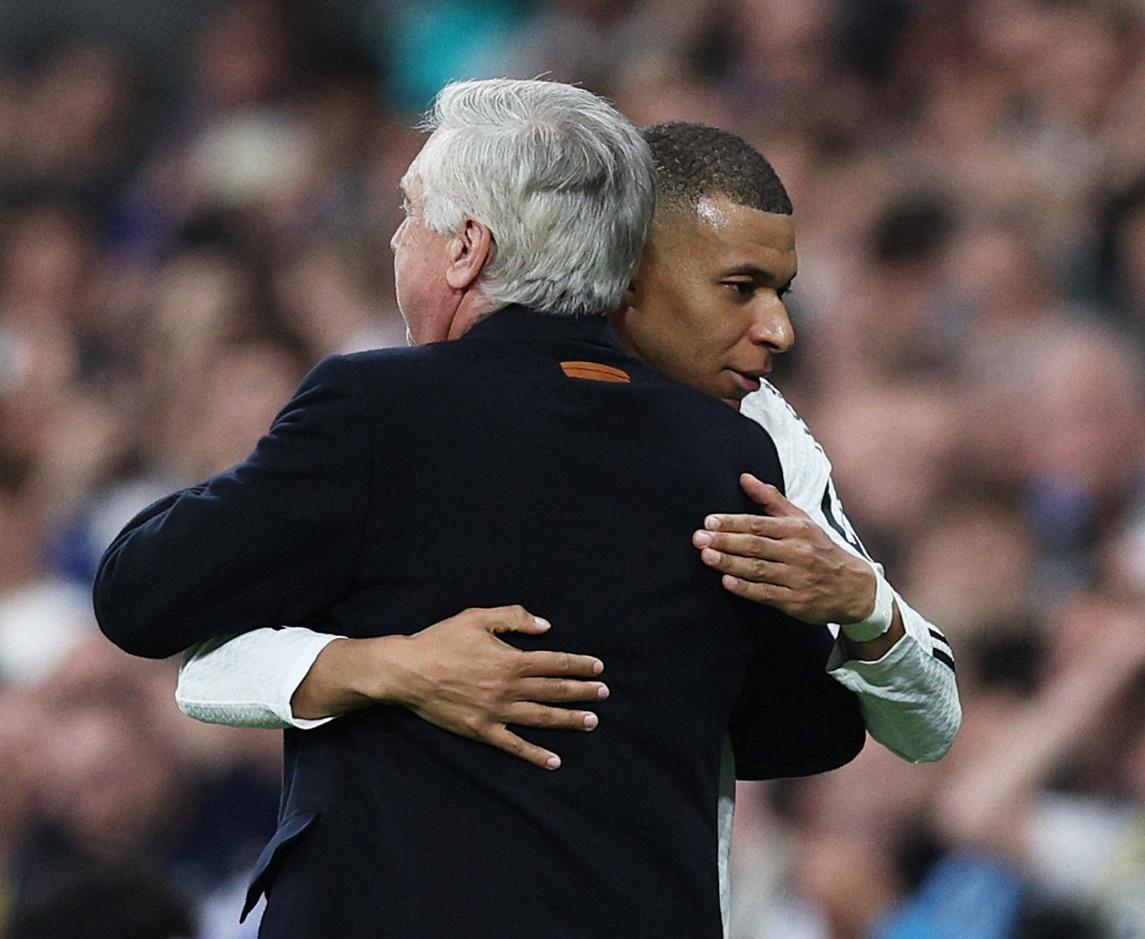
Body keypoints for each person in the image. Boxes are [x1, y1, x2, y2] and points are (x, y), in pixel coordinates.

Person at [94, 79, 865, 938]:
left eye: (410, 211)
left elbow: (137, 593)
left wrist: (378, 667)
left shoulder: (377, 411)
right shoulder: (727, 452)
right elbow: (807, 730)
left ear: (467, 248)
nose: (394, 235)